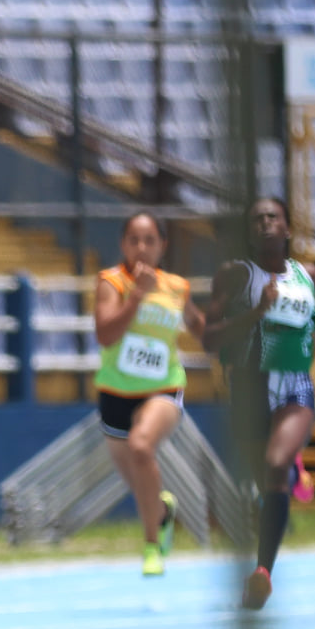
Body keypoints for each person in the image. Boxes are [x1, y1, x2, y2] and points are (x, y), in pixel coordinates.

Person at [203, 197, 315, 611]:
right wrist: (257, 311)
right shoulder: (235, 276)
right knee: (266, 478)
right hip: (250, 386)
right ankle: (293, 465)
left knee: (275, 467)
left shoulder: (304, 273)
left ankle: (262, 572)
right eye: (257, 218)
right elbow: (209, 338)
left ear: (288, 229)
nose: (265, 223)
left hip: (296, 386)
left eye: (272, 217)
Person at [93, 212, 205, 578]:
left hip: (164, 387)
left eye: (149, 240)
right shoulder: (111, 282)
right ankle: (162, 511)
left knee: (142, 447)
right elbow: (106, 335)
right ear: (123, 244)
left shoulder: (177, 287)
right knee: (139, 480)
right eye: (134, 240)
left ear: (162, 246)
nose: (141, 247)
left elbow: (200, 327)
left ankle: (151, 546)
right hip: (116, 392)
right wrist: (137, 296)